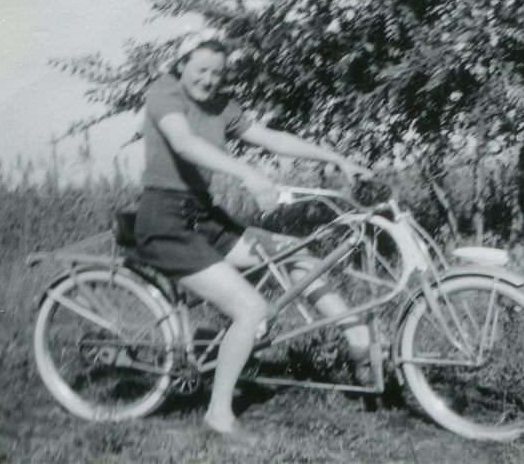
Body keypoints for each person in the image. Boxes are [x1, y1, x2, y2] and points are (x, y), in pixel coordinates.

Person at [134, 38, 372, 444]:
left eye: (217, 73)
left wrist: (334, 157)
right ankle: (219, 415)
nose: (209, 79)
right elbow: (184, 144)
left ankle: (357, 340)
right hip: (165, 221)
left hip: (204, 218)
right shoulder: (163, 92)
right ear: (182, 63)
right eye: (201, 70)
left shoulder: (222, 106)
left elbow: (271, 138)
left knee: (293, 253)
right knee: (251, 309)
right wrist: (248, 174)